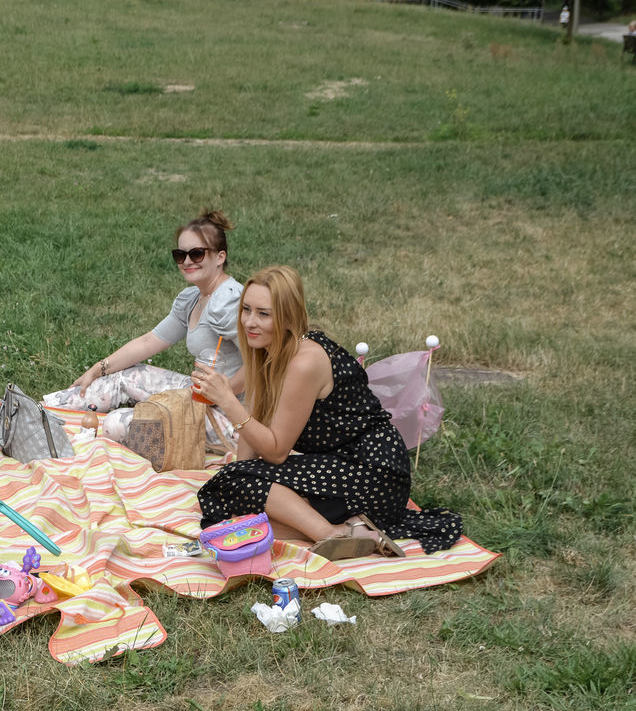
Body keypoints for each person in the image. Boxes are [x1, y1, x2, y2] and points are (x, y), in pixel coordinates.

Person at [191, 265, 463, 559]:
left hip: (373, 471)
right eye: (246, 309)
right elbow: (255, 422)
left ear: (288, 317)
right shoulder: (268, 350)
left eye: (263, 314)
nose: (249, 322)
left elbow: (276, 453)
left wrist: (228, 401)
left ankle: (333, 535)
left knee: (235, 490)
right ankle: (354, 527)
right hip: (336, 464)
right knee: (229, 492)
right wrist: (240, 476)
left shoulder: (304, 363)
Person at [44, 210, 245, 442]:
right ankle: (41, 412)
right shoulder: (193, 299)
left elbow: (260, 363)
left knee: (117, 424)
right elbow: (148, 342)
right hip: (201, 395)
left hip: (234, 417)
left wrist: (224, 394)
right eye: (180, 255)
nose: (187, 261)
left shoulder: (229, 301)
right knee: (126, 376)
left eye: (197, 254)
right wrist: (98, 369)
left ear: (220, 257)